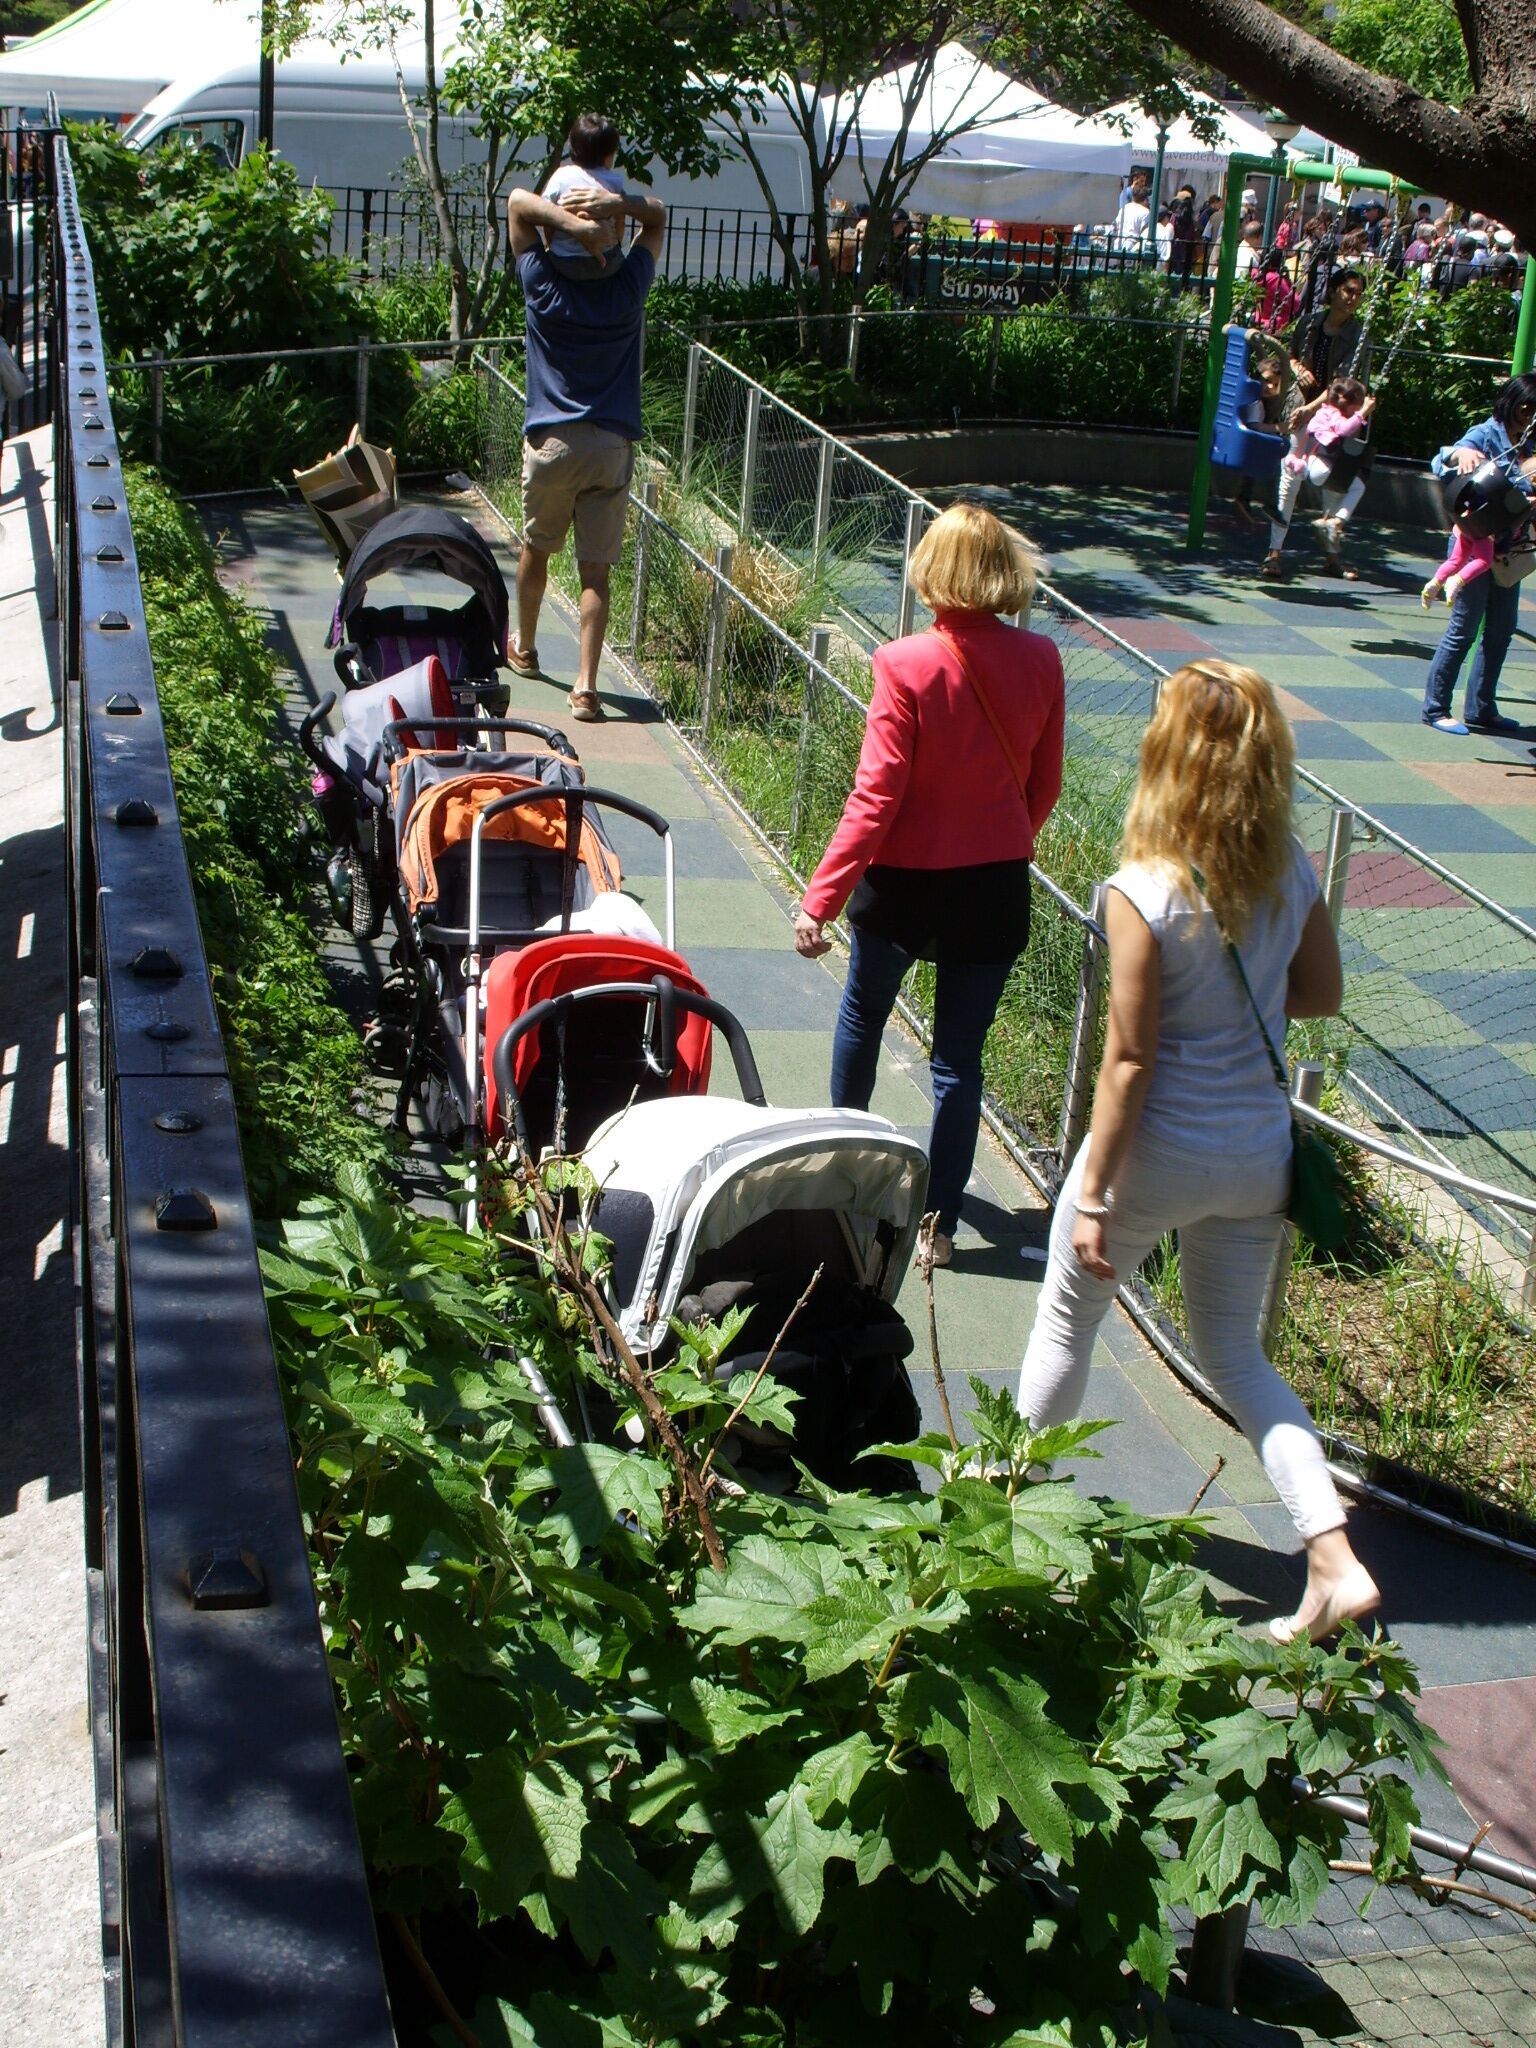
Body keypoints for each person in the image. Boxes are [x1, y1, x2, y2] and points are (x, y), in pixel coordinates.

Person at [1016, 660, 1379, 1647]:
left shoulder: (1142, 888)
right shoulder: (1291, 867)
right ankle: (1335, 1561)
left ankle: (1004, 1514)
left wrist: (1091, 1194)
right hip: (1256, 1153)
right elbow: (1318, 994)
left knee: (1065, 1324)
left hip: (1154, 1154)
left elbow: (1128, 1057)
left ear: (1167, 754)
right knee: (1238, 1356)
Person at [793, 504, 1064, 1268]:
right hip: (994, 887)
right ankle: (938, 1226)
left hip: (904, 884)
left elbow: (875, 797)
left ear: (933, 570)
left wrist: (822, 898)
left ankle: (844, 1172)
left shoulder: (904, 662)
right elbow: (1043, 787)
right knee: (958, 1062)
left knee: (865, 1015)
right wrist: (1001, 842)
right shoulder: (1042, 659)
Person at [505, 178, 666, 722]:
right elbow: (659, 217)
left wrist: (566, 220)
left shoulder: (540, 282)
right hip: (609, 443)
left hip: (551, 442)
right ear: (614, 233)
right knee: (595, 573)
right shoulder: (629, 287)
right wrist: (613, 210)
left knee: (536, 548)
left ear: (554, 239)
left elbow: (518, 206)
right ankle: (587, 687)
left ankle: (524, 650)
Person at [1421, 373, 1536, 735]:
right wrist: (1461, 452)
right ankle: (1435, 708)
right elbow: (1441, 461)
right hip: (1473, 545)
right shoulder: (1487, 433)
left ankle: (1482, 707)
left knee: (1501, 630)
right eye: (1525, 407)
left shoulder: (1531, 444)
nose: (1529, 415)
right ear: (1511, 402)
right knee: (1463, 630)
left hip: (1508, 550)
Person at [1266, 269, 1373, 579]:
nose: (1354, 298)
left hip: (1331, 416)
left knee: (1333, 484)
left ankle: (1332, 556)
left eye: (1358, 293)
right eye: (1348, 291)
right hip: (1303, 408)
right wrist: (1298, 367)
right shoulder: (1310, 323)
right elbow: (1291, 356)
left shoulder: (1357, 333)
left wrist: (1311, 408)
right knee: (1290, 478)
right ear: (1334, 291)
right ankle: (1274, 552)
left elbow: (1343, 384)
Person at [1420, 452, 1536, 608]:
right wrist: (1502, 549)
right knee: (1483, 561)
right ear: (1533, 479)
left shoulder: (1504, 483)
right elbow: (1507, 528)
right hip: (1484, 533)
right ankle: (1457, 581)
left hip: (1465, 527)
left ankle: (1435, 583)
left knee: (1455, 560)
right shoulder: (1520, 501)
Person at [541, 114, 628, 280]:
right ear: (609, 155)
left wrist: (550, 244)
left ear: (571, 147)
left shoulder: (561, 176)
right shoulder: (614, 182)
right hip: (604, 263)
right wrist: (616, 244)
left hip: (564, 261)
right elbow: (620, 220)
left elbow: (547, 217)